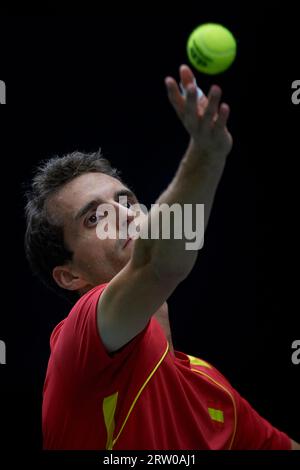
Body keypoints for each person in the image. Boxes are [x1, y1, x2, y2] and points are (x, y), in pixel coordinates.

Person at [24, 65, 299, 450]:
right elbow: (157, 263)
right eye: (93, 217)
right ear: (69, 276)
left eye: (127, 201)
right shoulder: (78, 345)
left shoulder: (211, 389)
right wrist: (206, 154)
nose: (123, 215)